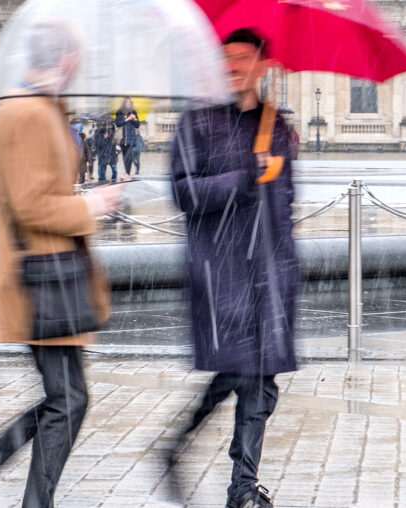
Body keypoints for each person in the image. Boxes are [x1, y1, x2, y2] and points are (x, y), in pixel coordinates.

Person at [0, 19, 121, 508]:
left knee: (65, 399)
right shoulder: (28, 113)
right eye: (77, 58)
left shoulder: (40, 109)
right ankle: (22, 498)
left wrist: (81, 198)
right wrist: (92, 206)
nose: (80, 67)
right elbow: (31, 205)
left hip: (53, 273)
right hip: (40, 276)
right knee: (68, 400)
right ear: (64, 59)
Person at [165, 28, 298, 508]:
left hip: (268, 269)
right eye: (228, 59)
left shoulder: (276, 124)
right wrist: (244, 174)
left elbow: (284, 204)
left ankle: (242, 485)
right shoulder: (196, 121)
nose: (234, 66)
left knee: (260, 380)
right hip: (219, 268)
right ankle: (183, 448)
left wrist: (285, 266)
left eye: (244, 58)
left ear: (263, 65)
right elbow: (184, 194)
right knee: (242, 373)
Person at [114, 98, 141, 179]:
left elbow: (137, 125)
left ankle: (127, 173)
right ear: (124, 103)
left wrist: (135, 119)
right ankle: (127, 172)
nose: (128, 103)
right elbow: (118, 124)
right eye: (127, 102)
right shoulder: (119, 112)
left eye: (130, 102)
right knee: (125, 156)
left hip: (131, 138)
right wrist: (127, 119)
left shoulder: (133, 112)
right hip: (122, 138)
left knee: (128, 156)